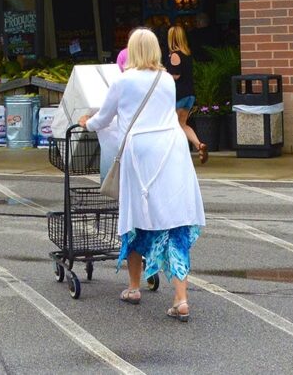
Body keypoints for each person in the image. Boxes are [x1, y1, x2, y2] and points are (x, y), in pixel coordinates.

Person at [79, 28, 205, 320]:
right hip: (172, 151)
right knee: (176, 222)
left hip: (141, 154)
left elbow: (103, 119)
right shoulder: (166, 80)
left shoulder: (123, 81)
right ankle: (181, 297)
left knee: (135, 216)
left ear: (132, 50)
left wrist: (86, 122)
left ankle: (134, 286)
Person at [167, 23, 208, 164]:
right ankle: (198, 145)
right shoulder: (187, 53)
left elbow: (176, 75)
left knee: (172, 124)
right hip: (190, 94)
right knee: (182, 124)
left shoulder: (174, 55)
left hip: (178, 94)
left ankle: (176, 154)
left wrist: (163, 74)